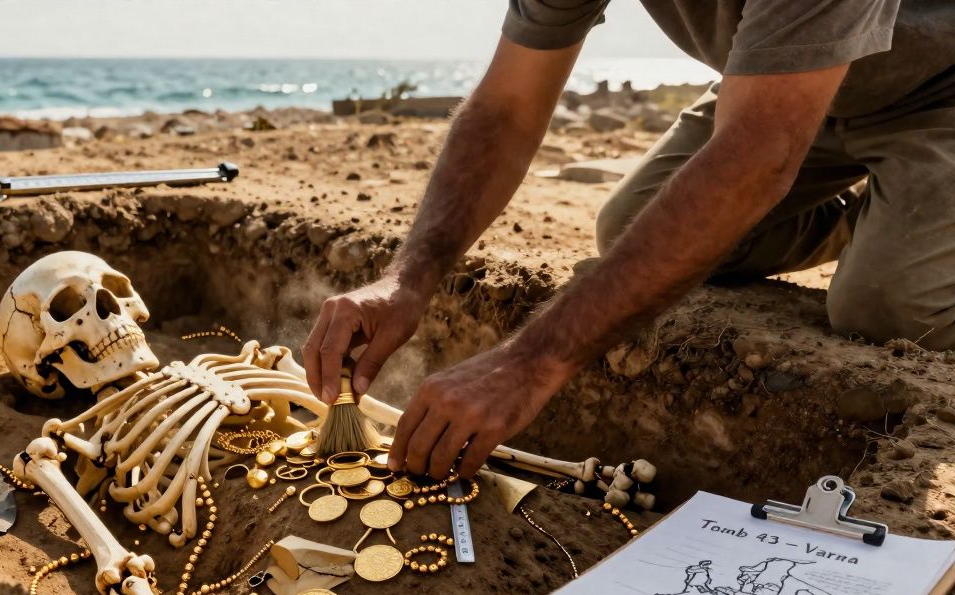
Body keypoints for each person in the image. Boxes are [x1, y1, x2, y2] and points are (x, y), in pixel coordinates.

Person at [303, 1, 955, 480]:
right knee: (631, 226)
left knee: (887, 305)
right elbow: (507, 107)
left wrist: (531, 362)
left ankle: (909, 224)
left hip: (938, 90)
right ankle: (876, 216)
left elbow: (757, 155)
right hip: (791, 85)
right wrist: (407, 277)